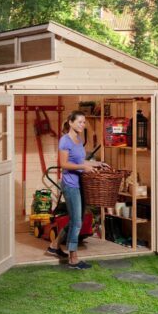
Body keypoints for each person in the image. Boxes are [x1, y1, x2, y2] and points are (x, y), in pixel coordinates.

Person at [46, 110, 108, 269]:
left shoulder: (79, 140)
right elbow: (64, 165)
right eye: (80, 122)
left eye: (84, 122)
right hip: (70, 185)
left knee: (76, 219)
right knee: (77, 222)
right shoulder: (64, 141)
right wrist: (83, 167)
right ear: (71, 122)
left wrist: (97, 163)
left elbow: (82, 160)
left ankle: (54, 246)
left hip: (81, 184)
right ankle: (73, 258)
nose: (82, 124)